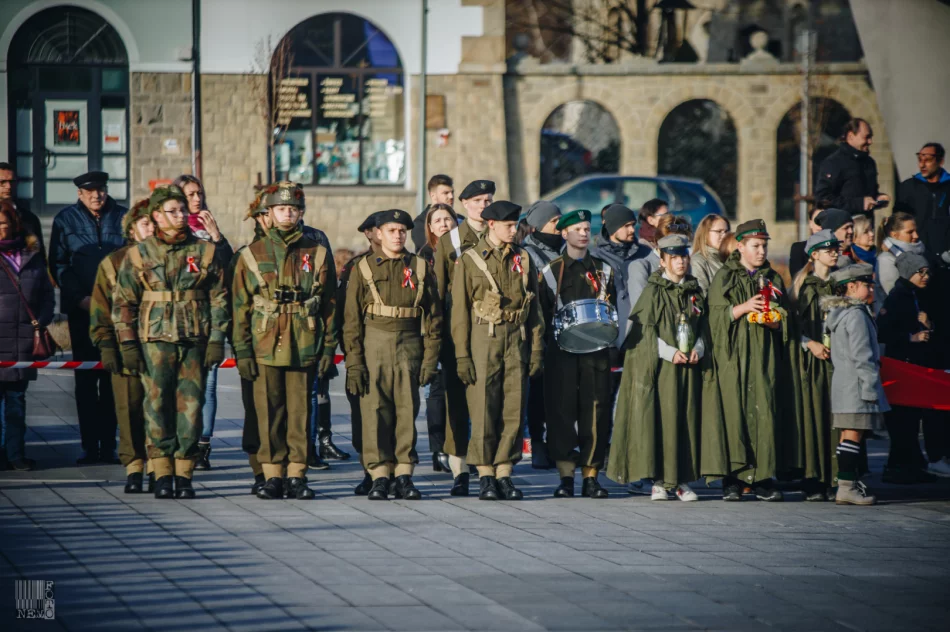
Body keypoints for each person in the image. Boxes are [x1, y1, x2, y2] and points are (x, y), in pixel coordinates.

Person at [112, 185, 228, 499]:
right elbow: (123, 304)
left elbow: (219, 299)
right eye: (172, 211)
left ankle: (184, 474)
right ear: (156, 216)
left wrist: (217, 340)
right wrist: (127, 344)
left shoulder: (204, 251)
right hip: (154, 342)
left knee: (191, 409)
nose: (180, 216)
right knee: (156, 407)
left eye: (182, 210)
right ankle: (162, 473)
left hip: (193, 341)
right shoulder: (138, 254)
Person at [231, 182, 337, 500]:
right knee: (269, 412)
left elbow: (329, 303)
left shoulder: (316, 253)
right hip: (265, 347)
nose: (287, 213)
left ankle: (296, 475)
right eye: (280, 208)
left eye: (292, 208)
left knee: (300, 413)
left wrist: (329, 347)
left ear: (301, 212)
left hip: (304, 345)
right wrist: (242, 350)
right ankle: (272, 475)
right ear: (269, 213)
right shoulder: (252, 255)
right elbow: (240, 307)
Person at [607, 234, 717, 501]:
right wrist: (669, 353)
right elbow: (644, 335)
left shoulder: (694, 291)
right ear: (664, 260)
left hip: (689, 367)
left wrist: (698, 349)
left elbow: (703, 328)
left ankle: (682, 479)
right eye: (674, 257)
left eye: (683, 256)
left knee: (686, 420)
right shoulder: (654, 291)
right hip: (663, 368)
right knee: (662, 420)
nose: (680, 262)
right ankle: (660, 480)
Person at [343, 210, 442, 500]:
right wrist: (354, 364)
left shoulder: (421, 267)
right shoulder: (363, 268)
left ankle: (404, 474)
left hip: (409, 343)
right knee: (374, 412)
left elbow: (434, 320)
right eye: (391, 230)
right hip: (375, 341)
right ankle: (379, 475)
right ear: (379, 234)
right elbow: (351, 322)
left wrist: (429, 360)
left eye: (402, 230)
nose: (397, 235)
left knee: (406, 411)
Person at [452, 200, 543, 500]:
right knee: (483, 408)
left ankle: (505, 472)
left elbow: (535, 309)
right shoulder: (470, 260)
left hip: (516, 338)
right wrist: (462, 356)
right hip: (483, 338)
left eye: (515, 225)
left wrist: (537, 349)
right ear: (491, 224)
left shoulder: (524, 258)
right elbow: (460, 314)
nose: (513, 230)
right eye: (507, 225)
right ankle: (485, 474)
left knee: (513, 408)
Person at [707, 219, 802, 502]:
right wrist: (743, 308)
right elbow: (714, 317)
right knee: (733, 414)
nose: (761, 251)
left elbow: (785, 316)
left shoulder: (772, 278)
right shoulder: (725, 276)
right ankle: (733, 478)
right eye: (755, 246)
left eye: (764, 246)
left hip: (763, 357)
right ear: (740, 247)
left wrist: (776, 323)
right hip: (733, 358)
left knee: (764, 412)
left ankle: (761, 478)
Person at [48, 171, 127, 464]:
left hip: (116, 312)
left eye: (101, 189)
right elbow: (58, 264)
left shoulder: (121, 216)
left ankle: (108, 445)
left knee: (111, 379)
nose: (97, 195)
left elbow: (131, 258)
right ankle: (89, 446)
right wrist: (78, 299)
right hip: (81, 311)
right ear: (80, 193)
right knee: (85, 380)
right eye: (90, 191)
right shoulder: (65, 220)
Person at [538, 209, 616, 499]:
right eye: (577, 229)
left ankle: (592, 476)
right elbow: (543, 314)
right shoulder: (550, 271)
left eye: (586, 228)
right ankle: (566, 476)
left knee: (596, 412)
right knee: (561, 413)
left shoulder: (604, 270)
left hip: (595, 352)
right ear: (564, 233)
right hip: (562, 353)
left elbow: (611, 311)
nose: (583, 233)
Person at [433, 179, 493, 495]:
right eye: (478, 200)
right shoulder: (450, 241)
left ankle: (489, 468)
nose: (484, 205)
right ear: (465, 204)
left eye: (488, 200)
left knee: (489, 402)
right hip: (458, 334)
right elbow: (440, 292)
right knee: (456, 404)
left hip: (491, 331)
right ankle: (460, 469)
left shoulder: (501, 235)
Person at [89, 199, 153, 492]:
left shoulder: (167, 259)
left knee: (159, 409)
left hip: (160, 348)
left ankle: (157, 463)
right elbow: (101, 308)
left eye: (155, 222)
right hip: (124, 344)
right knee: (128, 408)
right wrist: (105, 344)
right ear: (132, 228)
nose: (151, 229)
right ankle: (134, 465)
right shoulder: (114, 262)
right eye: (145, 224)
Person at [174, 174, 234, 471]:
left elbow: (228, 268)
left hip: (208, 320)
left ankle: (202, 446)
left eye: (200, 193)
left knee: (207, 385)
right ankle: (179, 442)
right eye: (190, 195)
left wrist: (217, 237)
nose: (197, 199)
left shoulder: (209, 230)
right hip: (177, 321)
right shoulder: (172, 233)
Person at [823, 264, 889, 505]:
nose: (872, 288)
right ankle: (847, 488)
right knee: (853, 436)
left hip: (844, 385)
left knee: (847, 437)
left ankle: (846, 486)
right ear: (851, 287)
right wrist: (871, 388)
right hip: (858, 387)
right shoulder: (857, 315)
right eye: (867, 285)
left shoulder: (840, 314)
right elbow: (863, 355)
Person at [877, 253, 947, 481]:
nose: (925, 276)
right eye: (920, 272)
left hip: (920, 363)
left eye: (927, 272)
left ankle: (916, 464)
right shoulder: (898, 296)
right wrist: (910, 337)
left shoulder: (921, 294)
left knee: (919, 415)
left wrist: (929, 325)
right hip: (903, 365)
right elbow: (884, 331)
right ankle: (900, 467)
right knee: (904, 420)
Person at [0, 201, 54, 472]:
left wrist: (40, 322)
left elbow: (46, 294)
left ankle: (15, 455)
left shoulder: (31, 256)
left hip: (23, 340)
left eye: (3, 222)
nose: (0, 228)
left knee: (16, 404)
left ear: (13, 224)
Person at [792, 230, 841, 501]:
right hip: (811, 362)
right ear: (814, 254)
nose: (834, 252)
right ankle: (814, 479)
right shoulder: (804, 287)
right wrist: (808, 343)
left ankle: (837, 477)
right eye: (828, 249)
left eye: (836, 248)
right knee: (814, 417)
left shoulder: (840, 283)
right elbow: (792, 328)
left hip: (836, 360)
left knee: (836, 417)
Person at [338, 212, 385, 495]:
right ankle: (369, 469)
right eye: (378, 230)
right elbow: (346, 314)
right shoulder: (356, 268)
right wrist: (350, 354)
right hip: (363, 353)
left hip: (394, 352)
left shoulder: (409, 265)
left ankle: (392, 471)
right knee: (361, 416)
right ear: (368, 234)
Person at [520, 200, 562, 469]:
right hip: (539, 329)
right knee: (538, 391)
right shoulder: (528, 255)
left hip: (563, 331)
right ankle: (537, 442)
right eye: (555, 222)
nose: (560, 228)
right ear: (538, 227)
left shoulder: (566, 251)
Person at [418, 202, 458, 472]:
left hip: (461, 326)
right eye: (438, 220)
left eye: (448, 219)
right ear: (430, 227)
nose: (444, 224)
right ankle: (438, 449)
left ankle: (459, 448)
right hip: (434, 328)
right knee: (437, 389)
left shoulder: (465, 251)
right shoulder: (423, 256)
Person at [591, 203, 647, 347]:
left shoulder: (645, 253)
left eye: (633, 225)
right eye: (626, 226)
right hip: (610, 337)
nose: (631, 230)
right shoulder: (595, 258)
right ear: (613, 228)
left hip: (643, 331)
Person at [625, 215, 691, 331]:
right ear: (658, 241)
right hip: (646, 339)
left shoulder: (685, 266)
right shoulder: (641, 266)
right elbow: (642, 311)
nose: (677, 248)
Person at [814, 118, 889, 218]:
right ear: (850, 136)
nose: (870, 142)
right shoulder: (833, 163)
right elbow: (823, 199)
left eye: (871, 137)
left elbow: (868, 195)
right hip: (843, 227)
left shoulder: (869, 163)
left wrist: (878, 198)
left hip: (866, 228)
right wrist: (859, 204)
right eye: (866, 137)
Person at [895, 142, 950, 261]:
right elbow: (898, 221)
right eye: (920, 159)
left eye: (928, 160)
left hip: (945, 255)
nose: (922, 164)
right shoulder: (908, 187)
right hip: (916, 253)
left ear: (940, 161)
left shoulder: (948, 186)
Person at [873, 212, 925, 315]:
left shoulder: (921, 254)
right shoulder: (886, 260)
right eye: (910, 232)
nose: (916, 236)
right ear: (894, 235)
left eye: (916, 231)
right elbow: (894, 295)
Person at [0, 162, 43, 252]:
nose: (8, 186)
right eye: (2, 182)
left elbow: (39, 253)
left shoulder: (29, 218)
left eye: (12, 182)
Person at [412, 174, 455, 252]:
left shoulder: (460, 219)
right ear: (433, 196)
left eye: (452, 192)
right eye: (446, 193)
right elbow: (431, 249)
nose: (451, 196)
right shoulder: (419, 224)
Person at [690, 214, 731, 293]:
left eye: (726, 231)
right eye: (719, 231)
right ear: (705, 234)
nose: (724, 235)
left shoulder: (732, 258)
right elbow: (702, 295)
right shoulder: (698, 261)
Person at [788, 207, 823, 279]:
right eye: (817, 221)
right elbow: (797, 279)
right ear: (810, 223)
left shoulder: (837, 249)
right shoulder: (799, 249)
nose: (821, 225)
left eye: (825, 221)